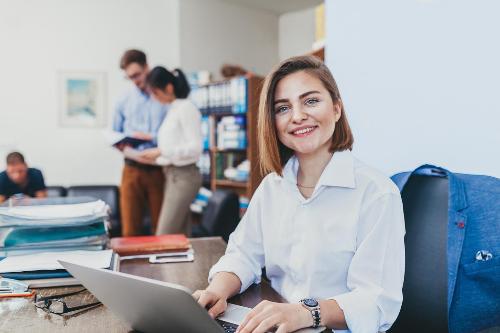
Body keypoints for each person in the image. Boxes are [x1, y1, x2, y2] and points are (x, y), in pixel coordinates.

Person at [193, 56, 406, 333]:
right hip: (274, 323)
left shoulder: (376, 193)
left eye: (311, 101)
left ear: (337, 109)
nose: (296, 116)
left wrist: (306, 313)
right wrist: (217, 291)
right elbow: (244, 254)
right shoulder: (272, 186)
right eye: (283, 108)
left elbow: (376, 301)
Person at [138, 66, 202, 236]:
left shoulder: (186, 108)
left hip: (184, 177)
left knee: (164, 236)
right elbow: (172, 150)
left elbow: (196, 147)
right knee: (179, 236)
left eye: (156, 92)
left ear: (169, 88)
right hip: (173, 175)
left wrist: (161, 152)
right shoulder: (174, 109)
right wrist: (154, 158)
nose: (154, 97)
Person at [113, 49, 167, 236]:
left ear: (147, 67)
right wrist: (129, 144)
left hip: (158, 170)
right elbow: (115, 136)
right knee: (130, 230)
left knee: (161, 229)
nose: (135, 80)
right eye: (130, 77)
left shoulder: (164, 96)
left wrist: (152, 139)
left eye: (137, 74)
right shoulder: (123, 100)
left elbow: (173, 135)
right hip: (131, 170)